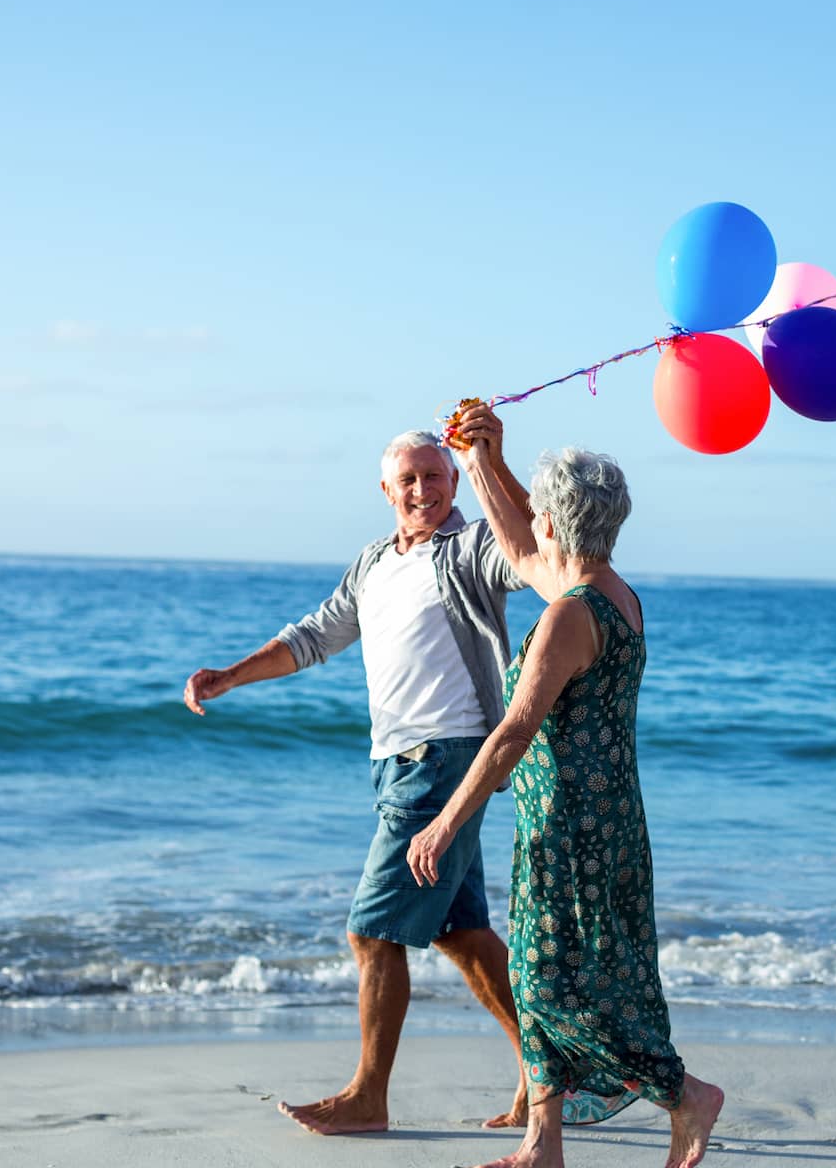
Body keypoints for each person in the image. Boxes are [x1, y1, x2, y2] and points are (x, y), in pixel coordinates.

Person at [182, 429, 529, 1135]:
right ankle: (549, 1073)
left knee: (372, 933)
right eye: (409, 479)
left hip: (447, 757)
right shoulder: (374, 562)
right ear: (385, 490)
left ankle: (369, 1096)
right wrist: (232, 675)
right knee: (463, 934)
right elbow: (313, 637)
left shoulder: (470, 552)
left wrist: (489, 458)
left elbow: (527, 553)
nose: (423, 491)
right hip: (393, 763)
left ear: (453, 483)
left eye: (435, 477)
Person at [408, 405, 725, 1168]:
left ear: (559, 518)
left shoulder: (567, 620)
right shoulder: (616, 596)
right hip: (608, 822)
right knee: (557, 974)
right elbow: (525, 549)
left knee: (560, 986)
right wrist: (483, 458)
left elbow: (513, 734)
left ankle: (687, 1096)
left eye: (544, 510)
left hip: (571, 829)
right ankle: (541, 1145)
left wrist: (445, 822)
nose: (533, 522)